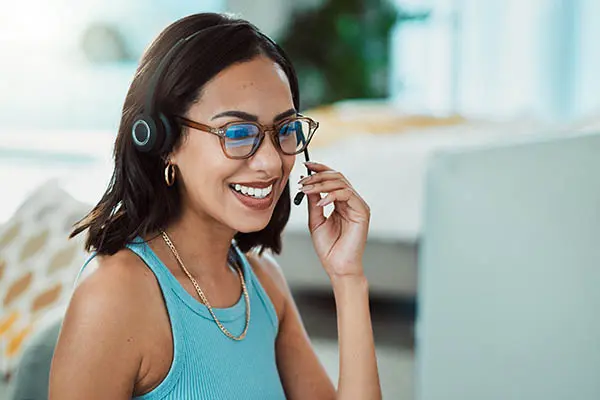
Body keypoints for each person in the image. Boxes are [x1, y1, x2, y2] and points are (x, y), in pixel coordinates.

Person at [49, 12, 381, 400]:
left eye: (286, 130)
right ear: (164, 141)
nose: (272, 162)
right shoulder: (116, 293)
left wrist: (348, 279)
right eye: (238, 133)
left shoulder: (261, 283)